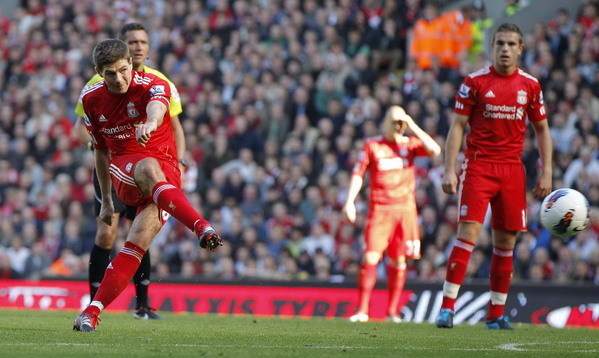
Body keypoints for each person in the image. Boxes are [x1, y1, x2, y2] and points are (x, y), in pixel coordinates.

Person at [73, 38, 222, 332]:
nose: (119, 79)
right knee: (146, 167)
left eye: (123, 70)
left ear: (132, 64)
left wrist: (151, 123)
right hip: (126, 167)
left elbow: (157, 107)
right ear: (98, 73)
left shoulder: (154, 83)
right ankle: (200, 226)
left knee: (136, 243)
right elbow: (100, 152)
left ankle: (90, 312)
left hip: (166, 172)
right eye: (110, 74)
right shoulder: (91, 99)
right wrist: (105, 200)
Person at [436, 23, 552, 330]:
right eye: (500, 43)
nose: (505, 49)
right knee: (468, 235)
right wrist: (450, 169)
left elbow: (542, 129)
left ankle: (496, 314)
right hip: (479, 165)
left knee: (506, 243)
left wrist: (547, 171)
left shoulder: (530, 85)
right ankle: (447, 308)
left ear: (520, 48)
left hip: (512, 169)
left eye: (511, 44)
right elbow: (457, 126)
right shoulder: (474, 82)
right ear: (492, 46)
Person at [74, 22, 187, 320]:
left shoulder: (160, 82)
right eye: (132, 41)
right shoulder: (94, 88)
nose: (138, 47)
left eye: (143, 42)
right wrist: (97, 146)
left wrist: (181, 162)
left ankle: (142, 305)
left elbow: (174, 126)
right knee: (107, 233)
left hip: (147, 164)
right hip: (112, 167)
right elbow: (80, 128)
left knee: (140, 230)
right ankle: (94, 298)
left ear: (147, 50)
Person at [343, 105, 441, 323]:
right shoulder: (372, 145)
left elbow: (435, 150)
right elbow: (358, 174)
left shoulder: (410, 145)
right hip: (380, 210)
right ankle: (362, 310)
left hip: (405, 210)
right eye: (394, 122)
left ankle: (392, 312)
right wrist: (349, 201)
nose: (398, 127)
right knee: (371, 257)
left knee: (399, 261)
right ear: (384, 122)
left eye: (400, 123)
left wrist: (412, 124)